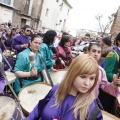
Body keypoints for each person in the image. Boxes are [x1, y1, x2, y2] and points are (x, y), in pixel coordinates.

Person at [26, 54, 102, 120]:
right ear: (72, 74)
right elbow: (39, 109)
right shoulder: (56, 89)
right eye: (83, 77)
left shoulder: (92, 108)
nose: (87, 83)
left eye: (92, 78)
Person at [88, 41, 120, 112]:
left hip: (92, 103)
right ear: (88, 51)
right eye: (94, 51)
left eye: (99, 52)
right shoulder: (79, 66)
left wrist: (113, 84)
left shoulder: (101, 71)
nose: (96, 54)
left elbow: (105, 87)